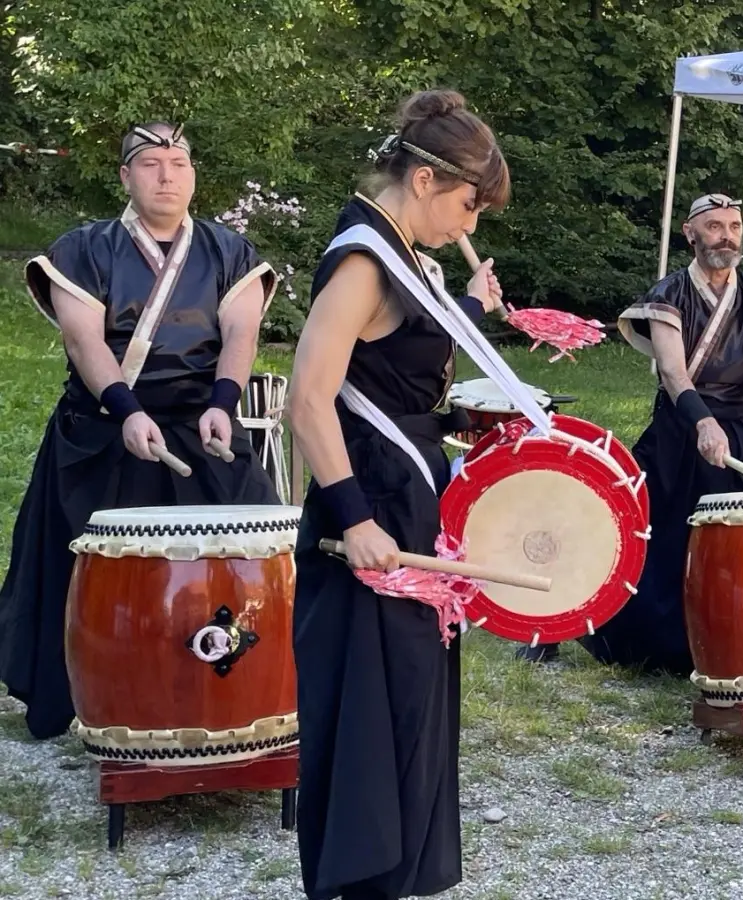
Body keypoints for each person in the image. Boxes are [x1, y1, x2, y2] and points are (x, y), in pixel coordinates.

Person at [287, 89, 510, 900]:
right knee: (368, 715)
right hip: (369, 514)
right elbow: (308, 399)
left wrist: (471, 420)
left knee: (413, 705)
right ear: (423, 179)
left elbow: (399, 385)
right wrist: (355, 520)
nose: (470, 225)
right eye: (466, 203)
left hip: (413, 501)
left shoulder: (411, 255)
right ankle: (359, 884)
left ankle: (400, 879)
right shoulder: (361, 257)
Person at [0, 123, 280, 741]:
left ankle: (235, 691)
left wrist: (224, 403)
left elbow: (241, 333)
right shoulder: (85, 248)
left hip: (201, 424)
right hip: (105, 426)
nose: (166, 174)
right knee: (91, 573)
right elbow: (83, 338)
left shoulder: (227, 250)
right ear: (125, 176)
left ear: (193, 174)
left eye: (178, 162)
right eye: (150, 163)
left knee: (252, 548)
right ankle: (79, 693)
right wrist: (126, 409)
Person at [587, 192, 743, 675]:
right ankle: (665, 643)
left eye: (733, 227)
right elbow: (672, 372)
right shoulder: (669, 294)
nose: (725, 237)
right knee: (643, 528)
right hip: (685, 428)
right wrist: (703, 423)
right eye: (714, 226)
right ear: (690, 233)